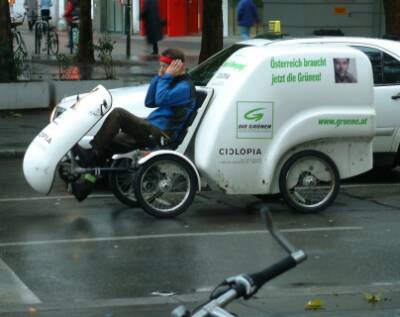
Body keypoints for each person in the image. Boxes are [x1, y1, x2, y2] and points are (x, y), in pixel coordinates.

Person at [71, 48, 196, 202]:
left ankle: (91, 154)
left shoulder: (184, 88)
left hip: (161, 134)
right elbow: (150, 101)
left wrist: (166, 77)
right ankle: (86, 185)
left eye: (165, 66)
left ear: (177, 66)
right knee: (109, 142)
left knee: (118, 114)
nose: (162, 69)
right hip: (151, 128)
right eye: (160, 66)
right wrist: (159, 77)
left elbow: (161, 98)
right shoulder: (171, 81)